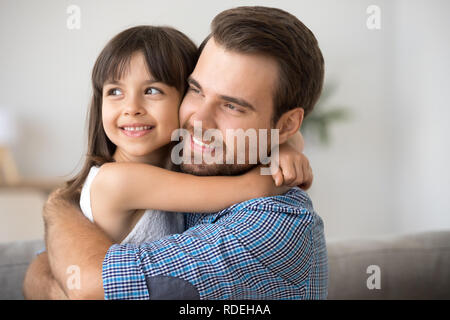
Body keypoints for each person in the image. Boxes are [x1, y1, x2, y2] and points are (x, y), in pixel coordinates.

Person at [23, 6, 327, 300]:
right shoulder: (186, 164)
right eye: (196, 90)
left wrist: (61, 209)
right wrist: (60, 206)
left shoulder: (273, 223)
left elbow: (94, 287)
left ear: (286, 124)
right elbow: (45, 265)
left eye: (232, 105)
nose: (197, 121)